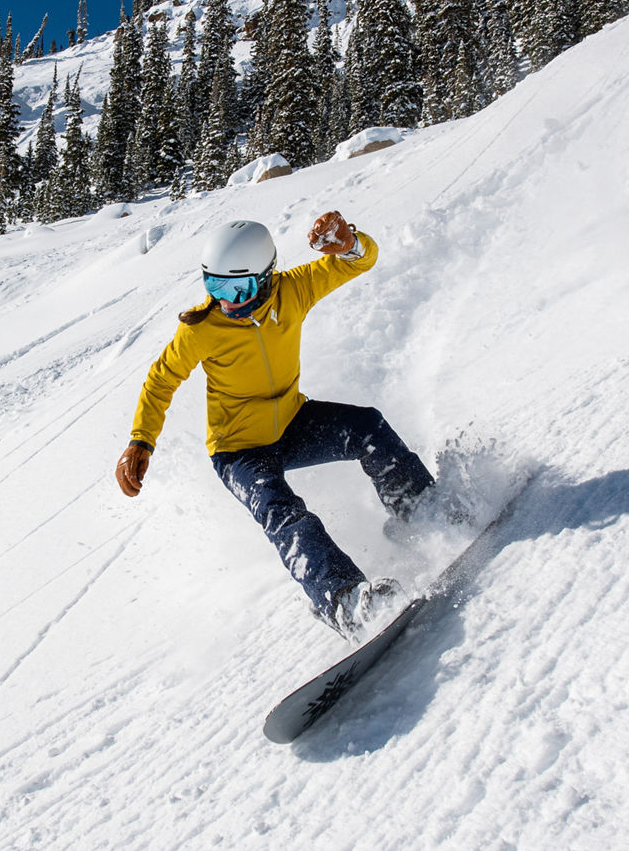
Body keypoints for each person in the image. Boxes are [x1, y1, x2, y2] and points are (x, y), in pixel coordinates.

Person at [114, 211, 436, 639]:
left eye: (237, 287)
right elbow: (161, 379)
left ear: (265, 277)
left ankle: (424, 512)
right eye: (214, 286)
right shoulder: (202, 328)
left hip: (292, 422)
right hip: (239, 452)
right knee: (285, 515)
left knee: (368, 427)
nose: (226, 299)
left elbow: (358, 262)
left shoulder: (294, 290)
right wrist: (141, 440)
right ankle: (342, 601)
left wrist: (351, 244)